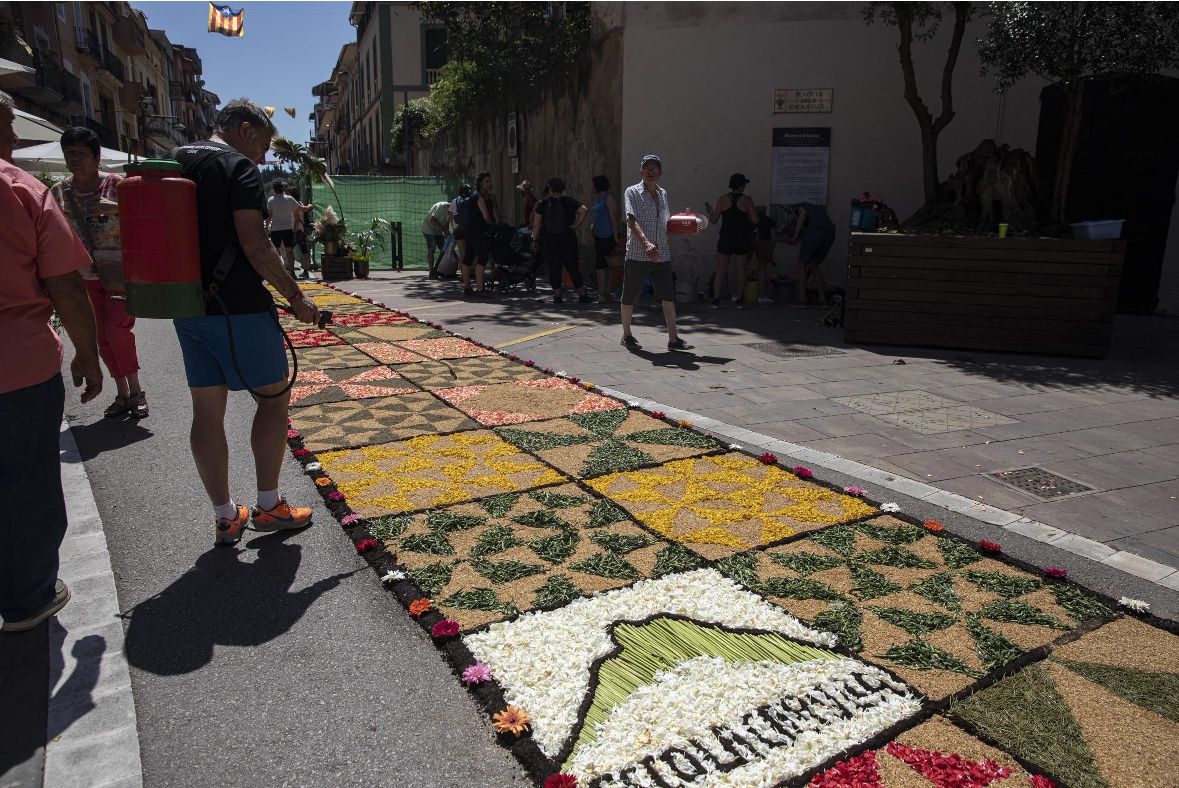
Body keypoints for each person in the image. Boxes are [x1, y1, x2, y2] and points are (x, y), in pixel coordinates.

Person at [171, 98, 320, 546]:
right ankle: (270, 505)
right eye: (264, 143)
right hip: (238, 305)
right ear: (244, 128)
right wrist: (294, 296)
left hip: (186, 305)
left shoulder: (177, 160)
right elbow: (255, 243)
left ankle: (224, 516)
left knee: (207, 412)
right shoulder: (237, 167)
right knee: (273, 400)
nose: (263, 156)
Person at [1, 91, 103, 632]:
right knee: (25, 480)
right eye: (6, 128)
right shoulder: (21, 189)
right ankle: (27, 596)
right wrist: (89, 354)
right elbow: (64, 281)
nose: (16, 139)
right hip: (16, 365)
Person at [51, 126, 148, 419]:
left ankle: (137, 390)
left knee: (119, 332)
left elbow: (147, 219)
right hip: (83, 277)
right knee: (102, 337)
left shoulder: (118, 186)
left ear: (96, 157)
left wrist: (116, 208)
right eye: (69, 154)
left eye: (81, 153)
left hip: (119, 274)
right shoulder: (59, 192)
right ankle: (122, 393)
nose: (74, 159)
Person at [619, 154, 692, 352]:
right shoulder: (632, 192)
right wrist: (646, 243)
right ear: (641, 172)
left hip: (661, 253)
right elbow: (631, 219)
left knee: (668, 296)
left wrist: (687, 225)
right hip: (637, 252)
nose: (651, 172)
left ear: (660, 172)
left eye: (655, 168)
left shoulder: (663, 194)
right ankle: (626, 335)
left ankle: (674, 339)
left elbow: (666, 225)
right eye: (647, 168)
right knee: (630, 295)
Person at [532, 177, 590, 304]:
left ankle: (557, 296)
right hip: (567, 238)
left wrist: (534, 239)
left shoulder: (542, 204)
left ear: (550, 189)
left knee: (554, 267)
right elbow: (584, 210)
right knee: (572, 266)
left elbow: (536, 224)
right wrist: (575, 226)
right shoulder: (568, 201)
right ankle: (582, 294)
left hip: (548, 240)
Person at [705, 173, 758, 309]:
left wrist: (710, 211)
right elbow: (755, 220)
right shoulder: (747, 200)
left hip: (726, 238)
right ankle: (739, 300)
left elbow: (714, 220)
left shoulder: (723, 199)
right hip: (742, 238)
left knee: (721, 269)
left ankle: (716, 301)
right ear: (741, 186)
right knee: (741, 269)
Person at [788, 201, 837, 307]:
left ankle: (802, 300)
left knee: (801, 263)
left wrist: (795, 236)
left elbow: (802, 213)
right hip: (830, 233)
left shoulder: (798, 207)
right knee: (813, 264)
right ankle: (822, 300)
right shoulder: (816, 209)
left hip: (815, 232)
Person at [460, 171, 495, 297]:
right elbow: (486, 216)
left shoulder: (473, 196)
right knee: (483, 257)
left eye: (489, 181)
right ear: (480, 183)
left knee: (468, 257)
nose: (489, 184)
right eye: (486, 182)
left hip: (468, 231)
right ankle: (480, 289)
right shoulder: (479, 197)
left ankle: (467, 287)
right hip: (477, 231)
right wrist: (493, 224)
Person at [590, 175, 623, 304]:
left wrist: (615, 236)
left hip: (607, 236)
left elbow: (613, 217)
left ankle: (603, 293)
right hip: (598, 236)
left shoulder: (608, 198)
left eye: (593, 184)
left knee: (602, 264)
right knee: (604, 265)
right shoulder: (597, 199)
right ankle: (606, 292)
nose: (592, 187)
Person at [266, 181, 301, 279]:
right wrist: (294, 229)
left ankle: (278, 273)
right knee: (289, 251)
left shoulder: (271, 200)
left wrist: (266, 227)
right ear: (283, 189)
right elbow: (297, 214)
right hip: (288, 228)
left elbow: (269, 216)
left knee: (276, 252)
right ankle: (292, 273)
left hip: (275, 229)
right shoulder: (289, 199)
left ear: (274, 190)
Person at [751, 205, 777, 304]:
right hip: (764, 241)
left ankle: (739, 295)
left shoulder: (752, 219)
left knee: (743, 267)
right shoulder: (769, 220)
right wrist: (771, 252)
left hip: (751, 242)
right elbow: (773, 237)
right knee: (762, 270)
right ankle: (761, 296)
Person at [422, 198, 451, 272]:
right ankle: (431, 271)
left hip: (438, 230)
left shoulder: (452, 211)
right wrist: (443, 230)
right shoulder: (440, 207)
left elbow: (446, 223)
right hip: (428, 228)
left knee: (444, 249)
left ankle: (438, 269)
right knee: (432, 248)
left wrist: (447, 234)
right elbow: (432, 220)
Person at [449, 183, 472, 268]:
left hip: (457, 230)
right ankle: (470, 272)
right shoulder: (471, 200)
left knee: (462, 251)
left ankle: (462, 273)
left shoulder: (454, 201)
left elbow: (451, 215)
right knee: (471, 251)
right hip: (468, 228)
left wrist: (453, 227)